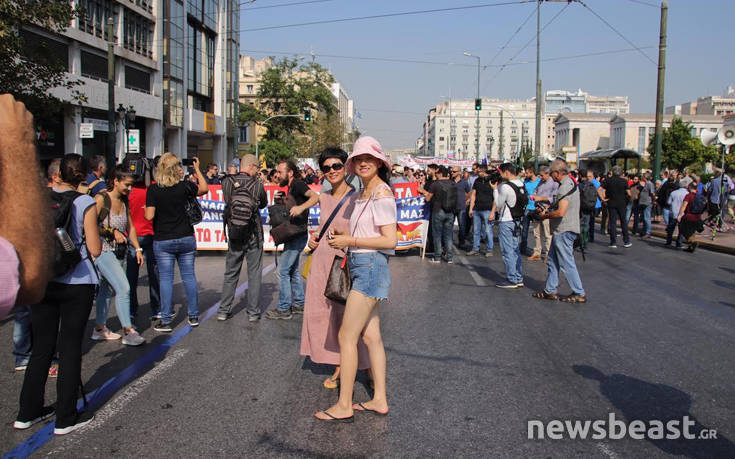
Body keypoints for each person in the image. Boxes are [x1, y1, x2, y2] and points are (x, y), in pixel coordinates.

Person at [16, 154, 101, 435]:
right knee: (70, 348)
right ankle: (66, 416)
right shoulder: (85, 202)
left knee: (41, 347)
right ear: (83, 176)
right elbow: (95, 248)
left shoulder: (37, 200)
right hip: (77, 281)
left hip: (44, 279)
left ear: (56, 175)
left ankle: (27, 412)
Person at [315, 135, 396, 422]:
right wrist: (346, 240)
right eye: (359, 159)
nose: (363, 163)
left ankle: (344, 405)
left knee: (346, 336)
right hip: (363, 264)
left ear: (379, 163)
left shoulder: (382, 194)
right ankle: (379, 399)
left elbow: (390, 240)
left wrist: (350, 239)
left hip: (371, 267)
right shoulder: (365, 193)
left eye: (369, 159)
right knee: (371, 336)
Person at [301, 147, 370, 389]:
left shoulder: (358, 197)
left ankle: (363, 365)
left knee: (351, 319)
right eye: (326, 168)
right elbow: (322, 228)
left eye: (337, 166)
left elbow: (366, 231)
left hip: (346, 263)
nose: (332, 171)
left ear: (345, 168)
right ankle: (339, 364)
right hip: (322, 262)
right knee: (326, 317)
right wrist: (313, 240)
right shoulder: (324, 197)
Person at [145, 154, 208, 332]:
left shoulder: (154, 190)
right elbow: (204, 189)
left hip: (163, 238)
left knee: (166, 279)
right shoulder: (185, 186)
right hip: (186, 236)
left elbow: (149, 216)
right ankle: (193, 315)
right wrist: (197, 169)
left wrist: (147, 211)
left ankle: (165, 319)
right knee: (189, 276)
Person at [91, 166, 146, 346]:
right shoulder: (100, 199)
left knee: (106, 290)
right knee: (124, 288)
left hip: (118, 252)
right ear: (115, 181)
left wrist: (137, 248)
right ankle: (128, 331)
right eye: (127, 185)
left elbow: (130, 227)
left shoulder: (124, 201)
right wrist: (111, 231)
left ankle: (99, 328)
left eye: (131, 185)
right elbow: (89, 225)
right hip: (103, 250)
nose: (129, 189)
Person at [266, 160, 320, 320]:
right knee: (293, 271)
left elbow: (315, 197)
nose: (277, 174)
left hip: (297, 234)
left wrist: (301, 208)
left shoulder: (297, 184)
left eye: (280, 171)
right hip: (295, 233)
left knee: (282, 271)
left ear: (290, 173)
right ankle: (299, 304)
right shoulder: (291, 186)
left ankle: (283, 309)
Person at [217, 154, 267, 322]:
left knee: (231, 272)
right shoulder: (258, 185)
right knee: (254, 273)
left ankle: (223, 310)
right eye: (257, 167)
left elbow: (227, 201)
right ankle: (253, 313)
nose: (258, 171)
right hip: (253, 233)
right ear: (252, 166)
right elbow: (264, 203)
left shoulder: (226, 182)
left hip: (234, 231)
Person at [532, 159, 586, 303]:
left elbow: (561, 212)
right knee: (552, 261)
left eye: (552, 173)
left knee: (566, 262)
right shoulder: (568, 184)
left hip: (564, 230)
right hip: (562, 230)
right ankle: (550, 290)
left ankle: (579, 292)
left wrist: (546, 215)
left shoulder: (564, 187)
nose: (551, 176)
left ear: (557, 173)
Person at [126, 166, 160, 323]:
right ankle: (157, 309)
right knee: (154, 274)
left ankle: (132, 310)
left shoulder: (128, 190)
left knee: (131, 277)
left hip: (133, 236)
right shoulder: (154, 188)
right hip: (150, 235)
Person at [492, 163, 526, 289]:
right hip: (517, 220)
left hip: (506, 220)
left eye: (501, 172)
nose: (499, 175)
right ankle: (518, 277)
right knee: (515, 249)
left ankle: (511, 279)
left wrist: (495, 189)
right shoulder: (521, 184)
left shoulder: (505, 187)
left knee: (507, 251)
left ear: (506, 172)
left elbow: (498, 204)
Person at [426, 166, 456, 263]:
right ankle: (450, 257)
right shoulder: (453, 183)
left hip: (438, 211)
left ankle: (437, 257)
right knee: (448, 235)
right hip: (450, 211)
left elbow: (428, 199)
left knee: (437, 235)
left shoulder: (435, 184)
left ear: (439, 174)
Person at [599, 166, 631, 249]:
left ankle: (613, 242)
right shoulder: (624, 181)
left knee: (612, 222)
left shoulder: (608, 180)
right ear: (621, 173)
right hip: (622, 203)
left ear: (612, 172)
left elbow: (599, 189)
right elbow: (629, 193)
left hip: (611, 202)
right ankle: (626, 241)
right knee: (623, 221)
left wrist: (603, 198)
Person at [529, 166, 557, 261]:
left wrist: (541, 198)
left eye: (542, 175)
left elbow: (554, 199)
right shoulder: (540, 182)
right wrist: (534, 196)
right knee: (536, 233)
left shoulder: (554, 184)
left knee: (547, 234)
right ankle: (537, 252)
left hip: (547, 210)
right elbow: (535, 191)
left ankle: (548, 254)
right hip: (537, 209)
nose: (540, 177)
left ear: (547, 174)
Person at [467, 165, 494, 257]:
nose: (476, 173)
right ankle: (475, 248)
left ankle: (489, 249)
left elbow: (495, 197)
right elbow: (473, 195)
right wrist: (471, 208)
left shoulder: (491, 181)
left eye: (478, 172)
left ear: (483, 171)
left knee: (488, 230)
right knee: (476, 230)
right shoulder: (477, 181)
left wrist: (493, 212)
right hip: (477, 208)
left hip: (487, 209)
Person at [678, 181, 704, 253]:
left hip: (689, 217)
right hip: (697, 217)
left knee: (684, 231)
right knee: (692, 232)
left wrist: (680, 215)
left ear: (690, 188)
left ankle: (692, 243)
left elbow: (684, 205)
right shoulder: (700, 196)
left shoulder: (688, 196)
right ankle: (690, 247)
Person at [520, 166, 541, 256]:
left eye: (527, 173)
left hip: (536, 208)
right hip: (527, 207)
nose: (526, 174)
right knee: (524, 229)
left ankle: (537, 250)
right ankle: (523, 247)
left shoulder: (539, 182)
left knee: (537, 230)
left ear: (532, 172)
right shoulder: (526, 182)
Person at [665, 178, 689, 248]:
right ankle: (679, 242)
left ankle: (668, 241)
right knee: (681, 229)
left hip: (673, 212)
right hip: (682, 214)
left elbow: (668, 202)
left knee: (670, 229)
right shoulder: (687, 194)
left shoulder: (673, 193)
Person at [451, 166, 471, 249]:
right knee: (450, 226)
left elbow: (470, 192)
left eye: (454, 171)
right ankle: (449, 243)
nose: (452, 173)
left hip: (461, 207)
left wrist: (466, 199)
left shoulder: (464, 182)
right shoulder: (450, 182)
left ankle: (461, 242)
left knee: (462, 226)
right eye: (451, 171)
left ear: (459, 172)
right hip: (451, 207)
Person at [633, 173, 655, 239]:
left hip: (647, 203)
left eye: (642, 176)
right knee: (644, 218)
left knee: (647, 218)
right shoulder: (644, 184)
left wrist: (653, 200)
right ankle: (644, 231)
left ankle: (648, 232)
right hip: (642, 203)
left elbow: (652, 193)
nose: (641, 177)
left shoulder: (649, 184)